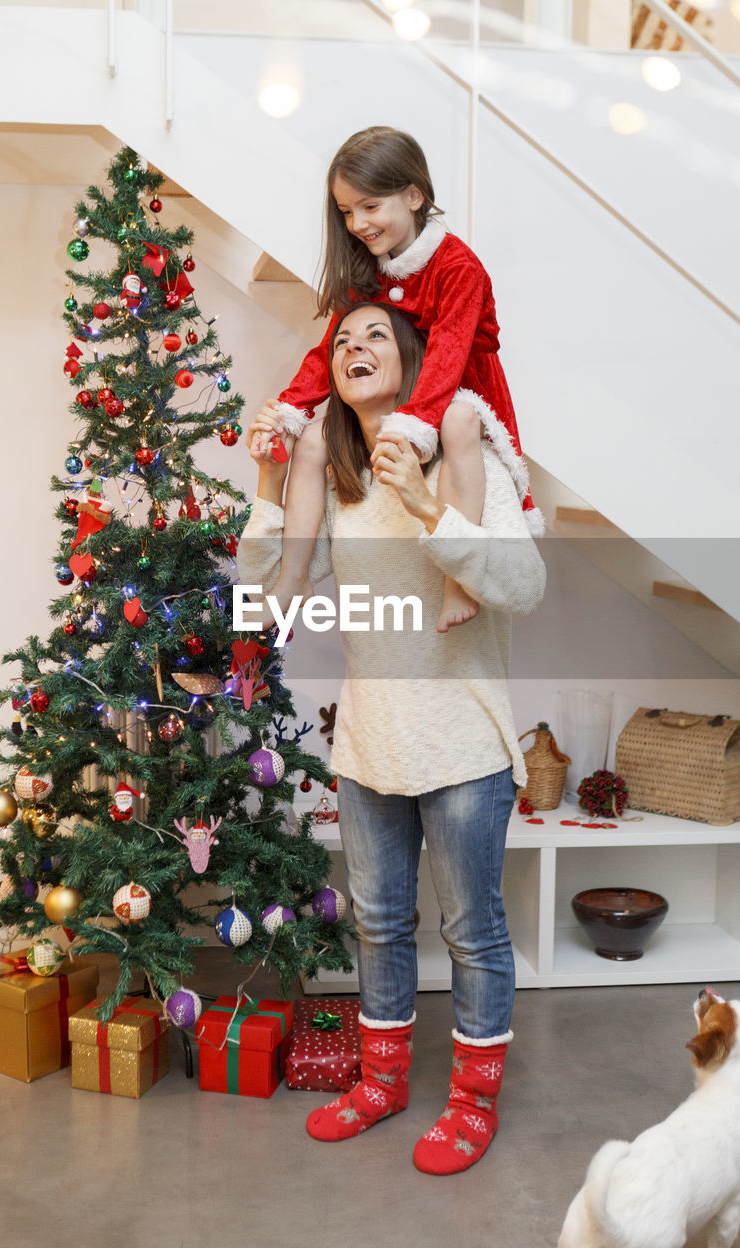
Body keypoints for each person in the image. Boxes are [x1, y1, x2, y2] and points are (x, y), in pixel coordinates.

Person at [239, 302, 546, 1176]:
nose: (353, 348)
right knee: (378, 923)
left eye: (375, 335)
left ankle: (471, 1103)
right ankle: (379, 1084)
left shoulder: (466, 453)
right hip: (369, 742)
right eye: (341, 340)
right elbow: (273, 600)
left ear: (415, 357)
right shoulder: (333, 476)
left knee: (470, 929)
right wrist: (266, 482)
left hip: (461, 743)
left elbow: (522, 583)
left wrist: (424, 504)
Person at [253, 125, 542, 635]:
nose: (357, 223)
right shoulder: (369, 269)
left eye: (369, 206)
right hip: (414, 401)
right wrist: (291, 410)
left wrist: (411, 427)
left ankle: (458, 576)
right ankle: (296, 577)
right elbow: (327, 351)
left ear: (414, 196)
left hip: (460, 391)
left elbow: (448, 356)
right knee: (317, 434)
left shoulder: (458, 267)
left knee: (455, 420)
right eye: (345, 212)